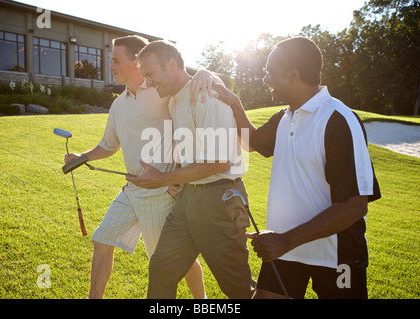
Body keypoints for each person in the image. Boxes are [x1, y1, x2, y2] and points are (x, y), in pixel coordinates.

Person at [213, 37, 381, 299]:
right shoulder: (284, 117)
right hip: (284, 251)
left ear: (293, 75)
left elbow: (355, 206)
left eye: (270, 73)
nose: (265, 79)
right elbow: (252, 142)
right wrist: (234, 103)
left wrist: (285, 240)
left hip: (336, 256)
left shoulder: (339, 119)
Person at [65, 35, 215, 299]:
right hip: (131, 189)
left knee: (177, 258)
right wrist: (83, 157)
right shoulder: (118, 104)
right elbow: (109, 145)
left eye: (115, 60)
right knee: (102, 240)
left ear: (138, 62)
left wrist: (205, 72)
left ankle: (200, 301)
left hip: (160, 193)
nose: (110, 66)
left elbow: (190, 83)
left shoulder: (162, 91)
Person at [126, 40, 254, 299]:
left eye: (150, 75)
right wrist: (178, 178)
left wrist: (163, 179)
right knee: (162, 267)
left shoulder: (205, 95)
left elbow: (218, 162)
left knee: (237, 288)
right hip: (188, 200)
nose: (148, 83)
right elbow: (192, 149)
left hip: (219, 201)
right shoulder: (175, 101)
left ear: (171, 65)